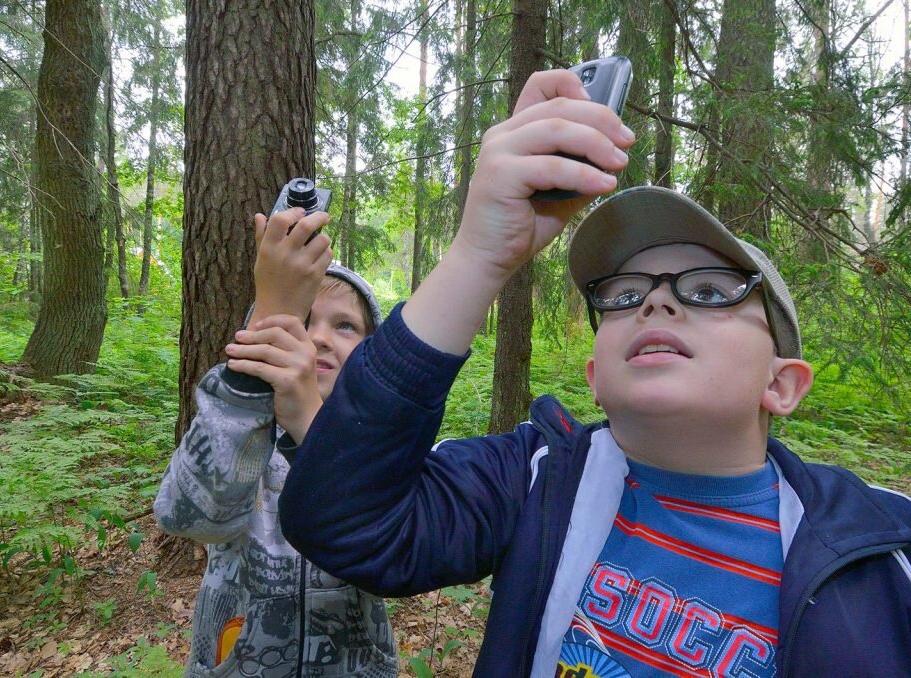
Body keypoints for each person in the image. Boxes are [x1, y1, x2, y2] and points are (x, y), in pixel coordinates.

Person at [277, 69, 911, 677]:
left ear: (782, 384)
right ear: (596, 378)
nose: (656, 302)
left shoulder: (884, 549)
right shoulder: (536, 481)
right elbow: (344, 522)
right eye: (624, 292)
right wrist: (479, 255)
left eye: (712, 290)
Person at [154, 205, 397, 677]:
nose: (320, 339)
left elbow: (398, 543)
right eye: (302, 320)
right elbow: (187, 516)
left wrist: (317, 430)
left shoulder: (380, 439)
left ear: (371, 350)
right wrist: (249, 392)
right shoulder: (237, 421)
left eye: (345, 326)